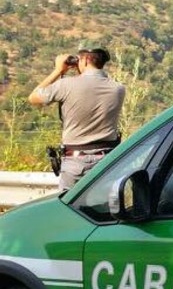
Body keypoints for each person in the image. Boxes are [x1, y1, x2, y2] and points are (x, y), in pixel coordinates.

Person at [28, 47, 125, 190]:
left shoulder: (66, 85)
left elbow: (33, 97)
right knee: (103, 208)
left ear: (85, 60)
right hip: (107, 161)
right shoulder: (118, 89)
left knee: (68, 210)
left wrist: (58, 71)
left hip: (75, 161)